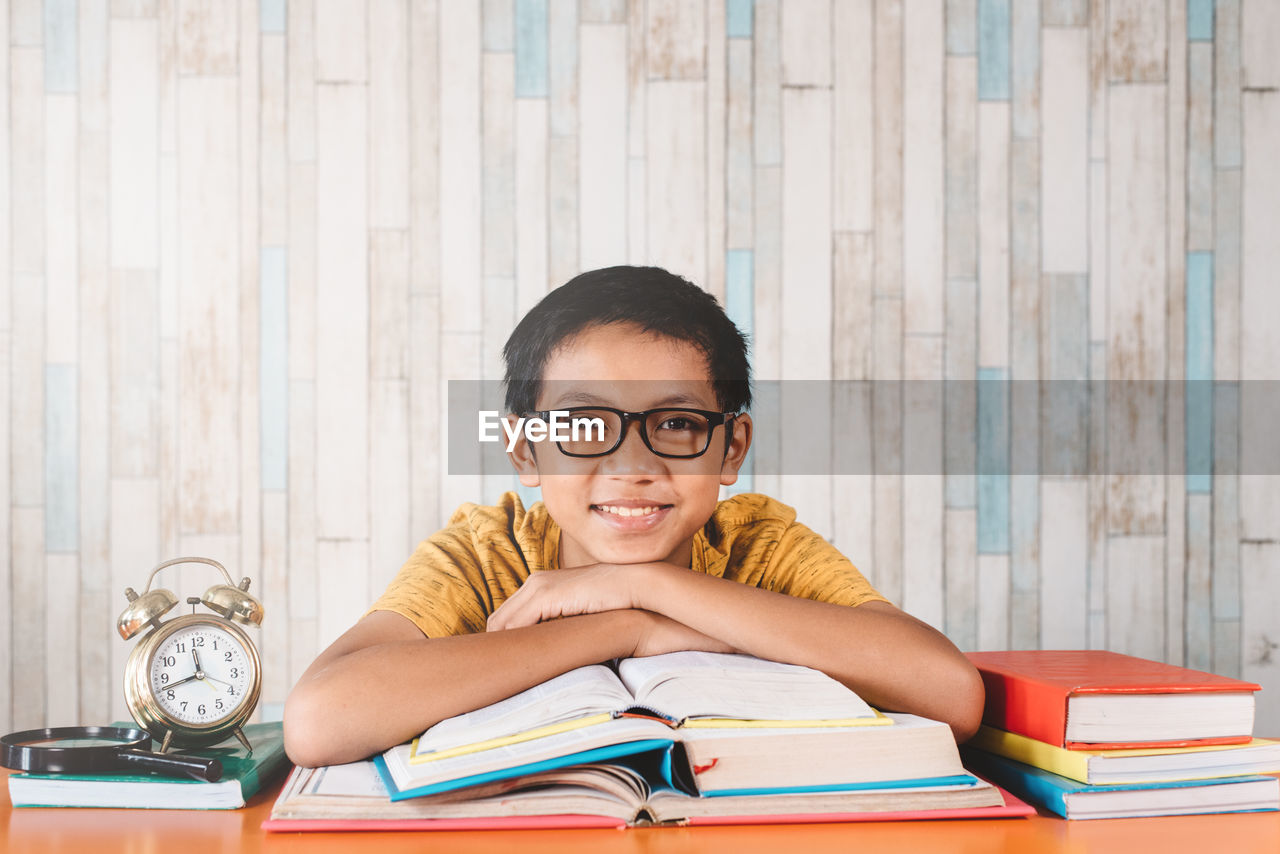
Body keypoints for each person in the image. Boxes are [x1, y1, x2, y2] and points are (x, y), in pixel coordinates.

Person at [284, 266, 983, 768]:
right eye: (586, 425)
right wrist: (625, 630)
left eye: (676, 423)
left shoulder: (758, 546)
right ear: (526, 450)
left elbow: (950, 692)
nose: (631, 464)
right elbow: (319, 721)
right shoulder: (485, 551)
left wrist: (648, 589)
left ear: (730, 447)